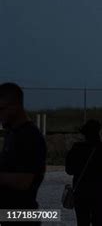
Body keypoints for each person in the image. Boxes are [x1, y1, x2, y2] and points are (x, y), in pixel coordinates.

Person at [0, 82, 46, 225]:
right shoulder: (13, 133)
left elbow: (24, 181)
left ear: (15, 106)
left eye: (1, 109)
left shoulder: (29, 136)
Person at [65, 119, 102, 226]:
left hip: (81, 191)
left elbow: (69, 170)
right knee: (99, 221)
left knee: (82, 221)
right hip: (100, 191)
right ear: (98, 132)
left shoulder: (76, 148)